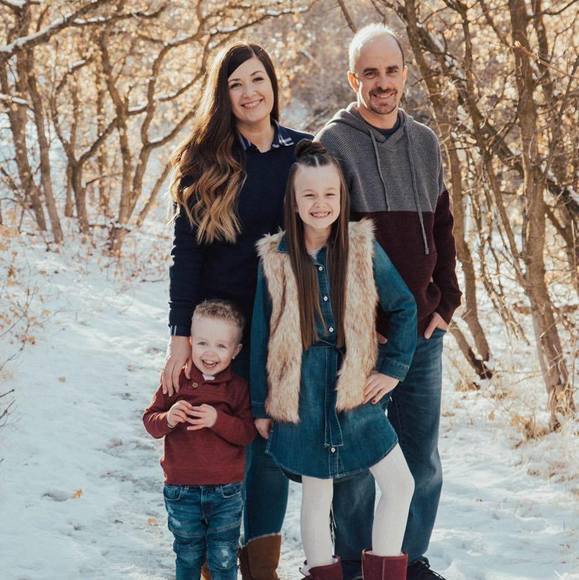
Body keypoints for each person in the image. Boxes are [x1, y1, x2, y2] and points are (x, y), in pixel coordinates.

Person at [316, 24, 462, 580]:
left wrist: (448, 301)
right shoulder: (332, 144)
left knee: (421, 457)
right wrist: (356, 319)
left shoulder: (425, 142)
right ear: (353, 78)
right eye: (370, 73)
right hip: (363, 339)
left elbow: (443, 228)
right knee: (356, 460)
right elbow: (323, 241)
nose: (383, 82)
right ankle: (357, 564)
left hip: (423, 332)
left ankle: (408, 560)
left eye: (392, 70)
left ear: (405, 73)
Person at [162, 42, 312, 578]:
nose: (250, 93)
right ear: (223, 96)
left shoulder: (303, 153)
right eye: (236, 84)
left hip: (284, 326)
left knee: (268, 445)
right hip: (219, 330)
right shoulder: (204, 160)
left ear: (273, 83)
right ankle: (214, 561)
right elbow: (185, 254)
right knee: (218, 443)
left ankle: (261, 567)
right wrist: (181, 337)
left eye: (257, 79)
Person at [250, 140, 418, 580]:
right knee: (316, 495)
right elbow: (261, 335)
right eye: (309, 194)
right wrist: (260, 406)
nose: (320, 203)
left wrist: (392, 369)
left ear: (342, 197)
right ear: (293, 201)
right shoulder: (277, 258)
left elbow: (404, 306)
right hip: (301, 392)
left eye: (329, 193)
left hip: (354, 387)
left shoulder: (362, 247)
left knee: (400, 484)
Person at [144, 299, 256, 579]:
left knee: (224, 556)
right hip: (181, 490)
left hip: (226, 492)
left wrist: (218, 420)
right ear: (190, 342)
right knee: (187, 554)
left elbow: (246, 433)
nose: (210, 352)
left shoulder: (237, 389)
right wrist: (168, 417)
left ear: (236, 350)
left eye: (221, 346)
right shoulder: (175, 381)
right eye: (203, 343)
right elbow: (151, 423)